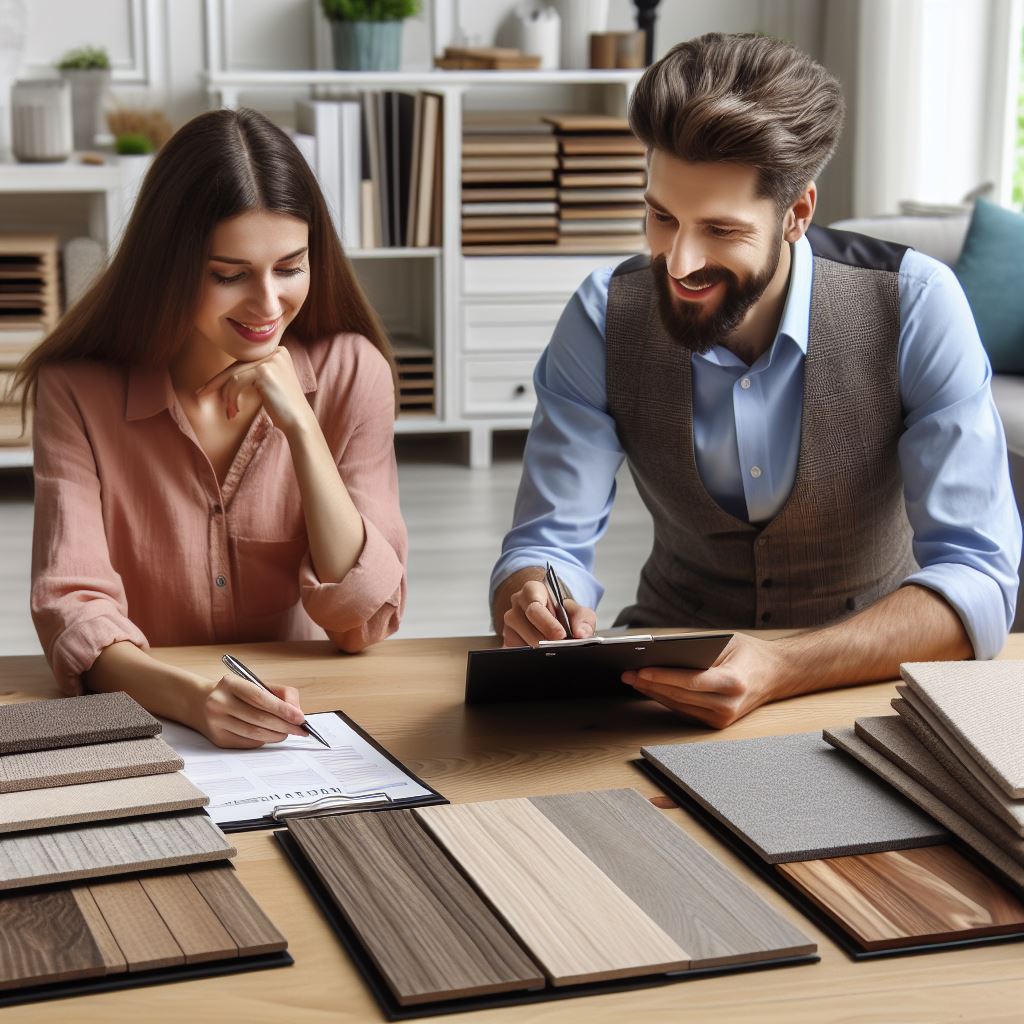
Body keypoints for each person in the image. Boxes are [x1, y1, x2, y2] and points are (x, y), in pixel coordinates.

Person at [490, 33, 1022, 728]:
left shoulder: (918, 305)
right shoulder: (602, 315)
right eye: (660, 216)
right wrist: (533, 598)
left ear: (797, 213)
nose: (678, 262)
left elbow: (979, 580)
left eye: (719, 229)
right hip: (661, 689)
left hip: (868, 689)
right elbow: (546, 543)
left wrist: (785, 666)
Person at [17, 108, 407, 748]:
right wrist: (191, 698)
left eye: (290, 267)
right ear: (168, 266)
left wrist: (302, 430)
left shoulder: (352, 371)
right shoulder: (76, 390)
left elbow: (361, 621)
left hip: (313, 732)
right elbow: (74, 612)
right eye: (229, 275)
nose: (268, 305)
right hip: (148, 725)